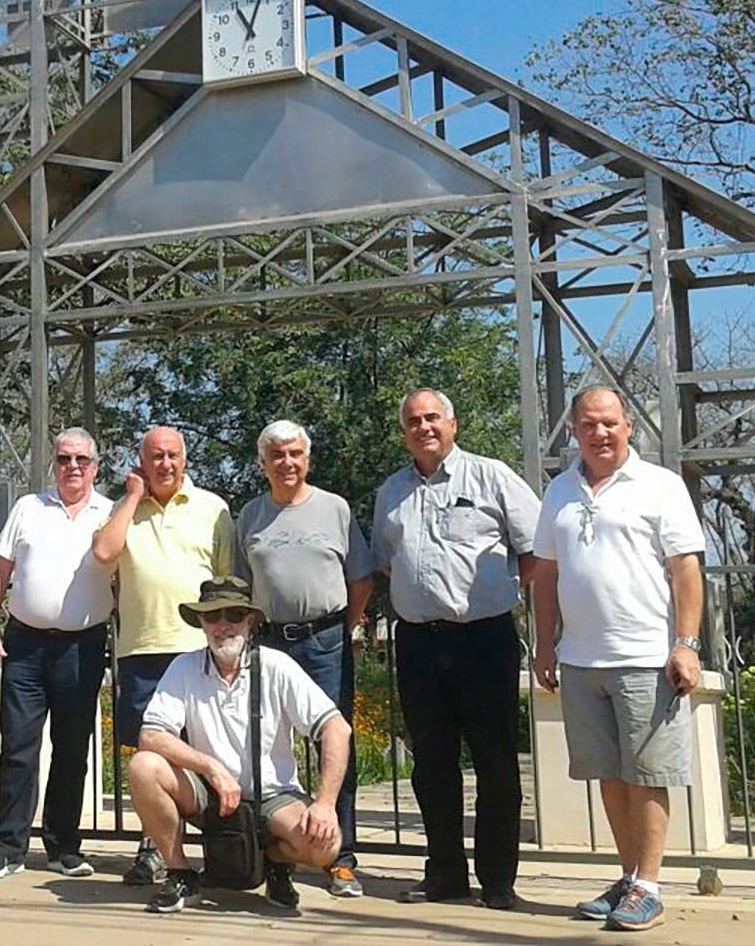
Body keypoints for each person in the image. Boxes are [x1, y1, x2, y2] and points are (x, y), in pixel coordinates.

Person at [531, 386, 705, 933]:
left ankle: (650, 885)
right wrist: (543, 643)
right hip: (582, 660)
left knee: (648, 775)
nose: (599, 433)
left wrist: (686, 644)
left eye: (609, 423)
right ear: (575, 432)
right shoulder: (558, 491)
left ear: (628, 427)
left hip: (646, 657)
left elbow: (686, 571)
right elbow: (545, 576)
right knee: (609, 775)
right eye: (588, 425)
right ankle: (629, 877)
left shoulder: (661, 486)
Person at [371, 388, 541, 908]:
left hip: (483, 639)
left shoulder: (492, 477)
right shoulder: (390, 493)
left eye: (432, 418)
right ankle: (444, 873)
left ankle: (497, 882)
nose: (423, 427)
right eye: (413, 421)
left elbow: (536, 550)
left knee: (495, 763)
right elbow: (385, 562)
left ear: (453, 425)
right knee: (431, 764)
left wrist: (513, 603)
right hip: (420, 642)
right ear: (404, 433)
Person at [129, 575, 351, 915]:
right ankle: (180, 872)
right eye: (212, 616)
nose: (223, 625)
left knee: (326, 846)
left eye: (233, 615)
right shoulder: (184, 667)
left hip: (273, 796)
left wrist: (325, 804)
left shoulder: (277, 666)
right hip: (208, 792)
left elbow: (337, 728)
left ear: (250, 622)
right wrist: (210, 768)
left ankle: (273, 861)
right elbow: (151, 735)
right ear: (201, 623)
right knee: (143, 766)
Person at [234, 419, 375, 899]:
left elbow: (361, 576)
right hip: (269, 644)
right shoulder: (250, 516)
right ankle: (277, 858)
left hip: (325, 641)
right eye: (277, 455)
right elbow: (239, 585)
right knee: (267, 749)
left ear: (307, 458)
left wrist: (350, 625)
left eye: (295, 454)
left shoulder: (334, 508)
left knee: (334, 748)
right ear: (263, 462)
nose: (287, 463)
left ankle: (342, 858)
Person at [91, 425, 233, 886]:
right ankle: (159, 850)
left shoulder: (213, 509)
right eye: (155, 456)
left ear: (185, 459)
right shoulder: (123, 509)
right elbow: (103, 553)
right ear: (142, 461)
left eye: (172, 455)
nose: (165, 464)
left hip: (199, 652)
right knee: (148, 760)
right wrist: (131, 499)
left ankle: (225, 848)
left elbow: (228, 583)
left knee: (206, 752)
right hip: (142, 651)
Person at [0, 428, 115, 880]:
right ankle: (7, 847)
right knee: (17, 746)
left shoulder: (111, 514)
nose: (72, 466)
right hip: (26, 644)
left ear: (95, 466)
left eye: (81, 460)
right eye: (64, 459)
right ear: (53, 463)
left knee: (73, 749)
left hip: (84, 645)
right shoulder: (28, 508)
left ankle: (63, 847)